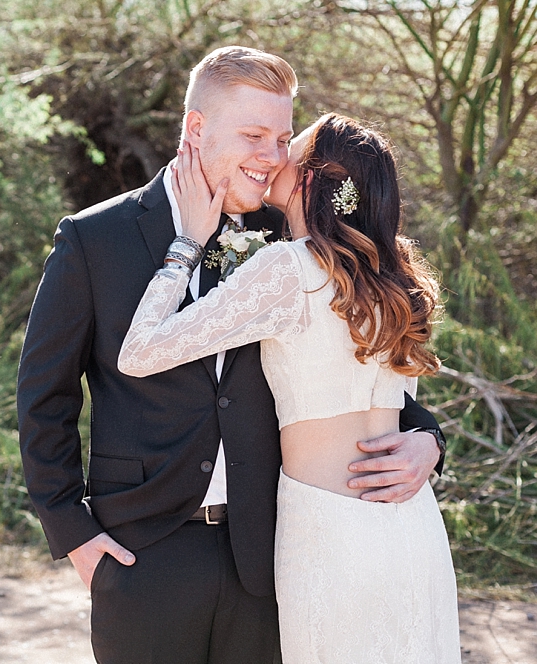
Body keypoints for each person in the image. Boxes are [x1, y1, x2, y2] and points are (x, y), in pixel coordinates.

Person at [17, 46, 446, 663]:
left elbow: (367, 359)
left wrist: (426, 439)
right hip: (143, 551)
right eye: (254, 135)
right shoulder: (94, 238)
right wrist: (74, 532)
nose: (271, 157)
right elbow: (44, 396)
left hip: (271, 553)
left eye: (281, 138)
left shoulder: (294, 234)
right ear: (196, 129)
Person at [117, 113, 460, 662]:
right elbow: (400, 405)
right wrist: (431, 441)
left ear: (309, 178)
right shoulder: (396, 280)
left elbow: (139, 354)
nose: (273, 158)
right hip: (411, 526)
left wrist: (185, 246)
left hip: (327, 531)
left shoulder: (288, 269)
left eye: (288, 149)